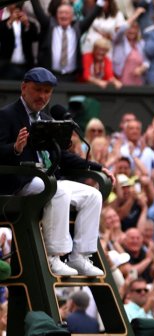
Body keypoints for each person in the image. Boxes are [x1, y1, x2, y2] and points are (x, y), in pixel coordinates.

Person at [0, 68, 106, 277]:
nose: (42, 96)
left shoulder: (47, 119)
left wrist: (98, 167)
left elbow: (62, 156)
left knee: (92, 195)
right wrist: (15, 149)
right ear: (24, 87)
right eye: (38, 90)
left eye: (47, 92)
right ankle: (54, 256)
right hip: (18, 182)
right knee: (57, 190)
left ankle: (80, 256)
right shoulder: (6, 115)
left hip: (46, 180)